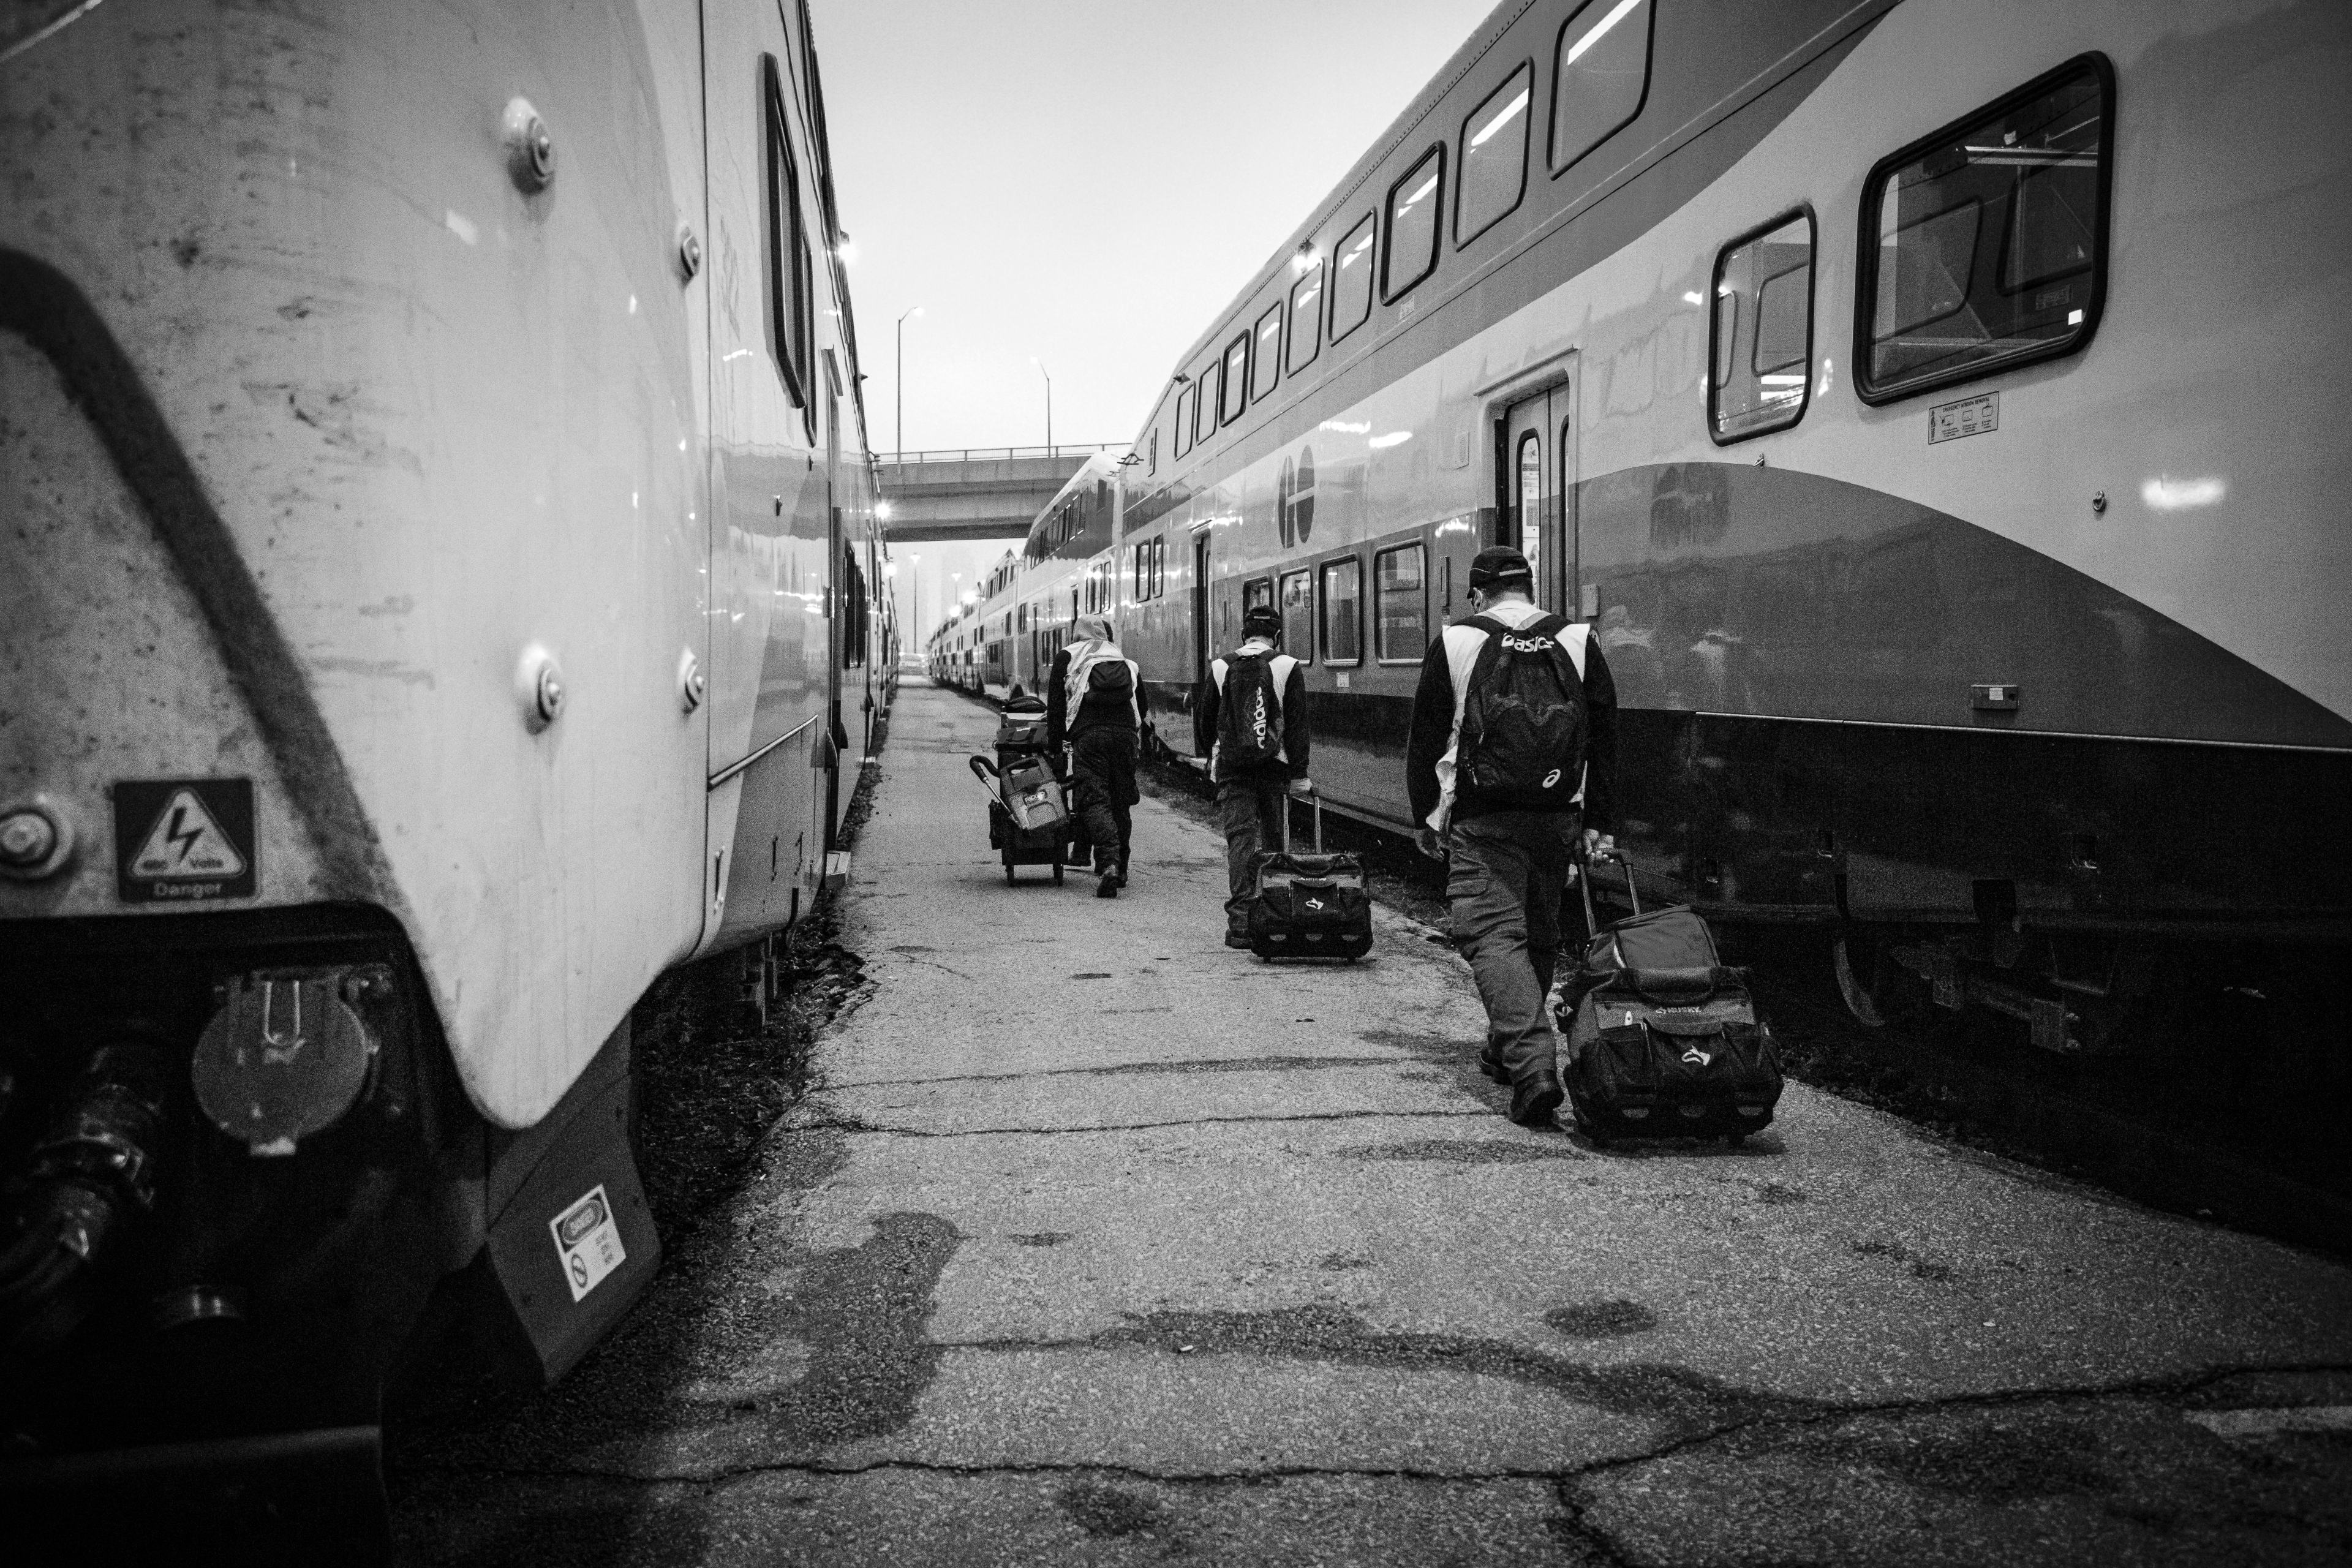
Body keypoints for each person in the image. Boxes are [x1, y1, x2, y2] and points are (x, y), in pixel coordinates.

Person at [1404, 546, 1618, 1127]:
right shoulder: (1576, 638)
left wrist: (1427, 815)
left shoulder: (1456, 640)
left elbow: (1426, 738)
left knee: (1495, 937)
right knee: (1539, 931)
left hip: (1483, 815)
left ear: (1478, 594)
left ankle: (1532, 1068)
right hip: (1557, 812)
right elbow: (1607, 737)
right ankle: (1507, 1050)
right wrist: (1600, 820)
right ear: (1529, 587)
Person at [1194, 605, 1313, 949]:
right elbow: (1298, 726)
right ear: (1276, 636)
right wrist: (1299, 773)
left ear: (1244, 634)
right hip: (1274, 769)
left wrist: (1212, 757)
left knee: (1241, 841)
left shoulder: (1220, 666)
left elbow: (1205, 722)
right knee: (1276, 841)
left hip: (1233, 770)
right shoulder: (1288, 666)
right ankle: (1276, 915)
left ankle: (1242, 924)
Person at [1046, 614, 1145, 898]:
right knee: (1121, 799)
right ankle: (1121, 867)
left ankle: (1109, 864)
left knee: (1095, 800)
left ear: (1076, 634)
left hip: (1089, 738)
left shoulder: (1068, 656)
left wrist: (1056, 749)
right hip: (1126, 736)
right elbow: (1143, 704)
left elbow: (1056, 707)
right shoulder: (1121, 657)